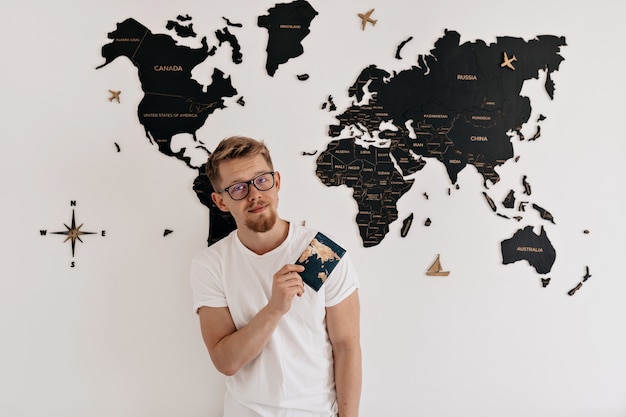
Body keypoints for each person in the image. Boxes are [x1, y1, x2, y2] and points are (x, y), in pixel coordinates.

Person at [190, 136, 361, 417]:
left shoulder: (321, 252)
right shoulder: (211, 264)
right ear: (221, 201)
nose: (254, 195)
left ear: (277, 182)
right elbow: (225, 361)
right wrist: (274, 310)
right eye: (238, 188)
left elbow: (347, 346)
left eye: (261, 180)